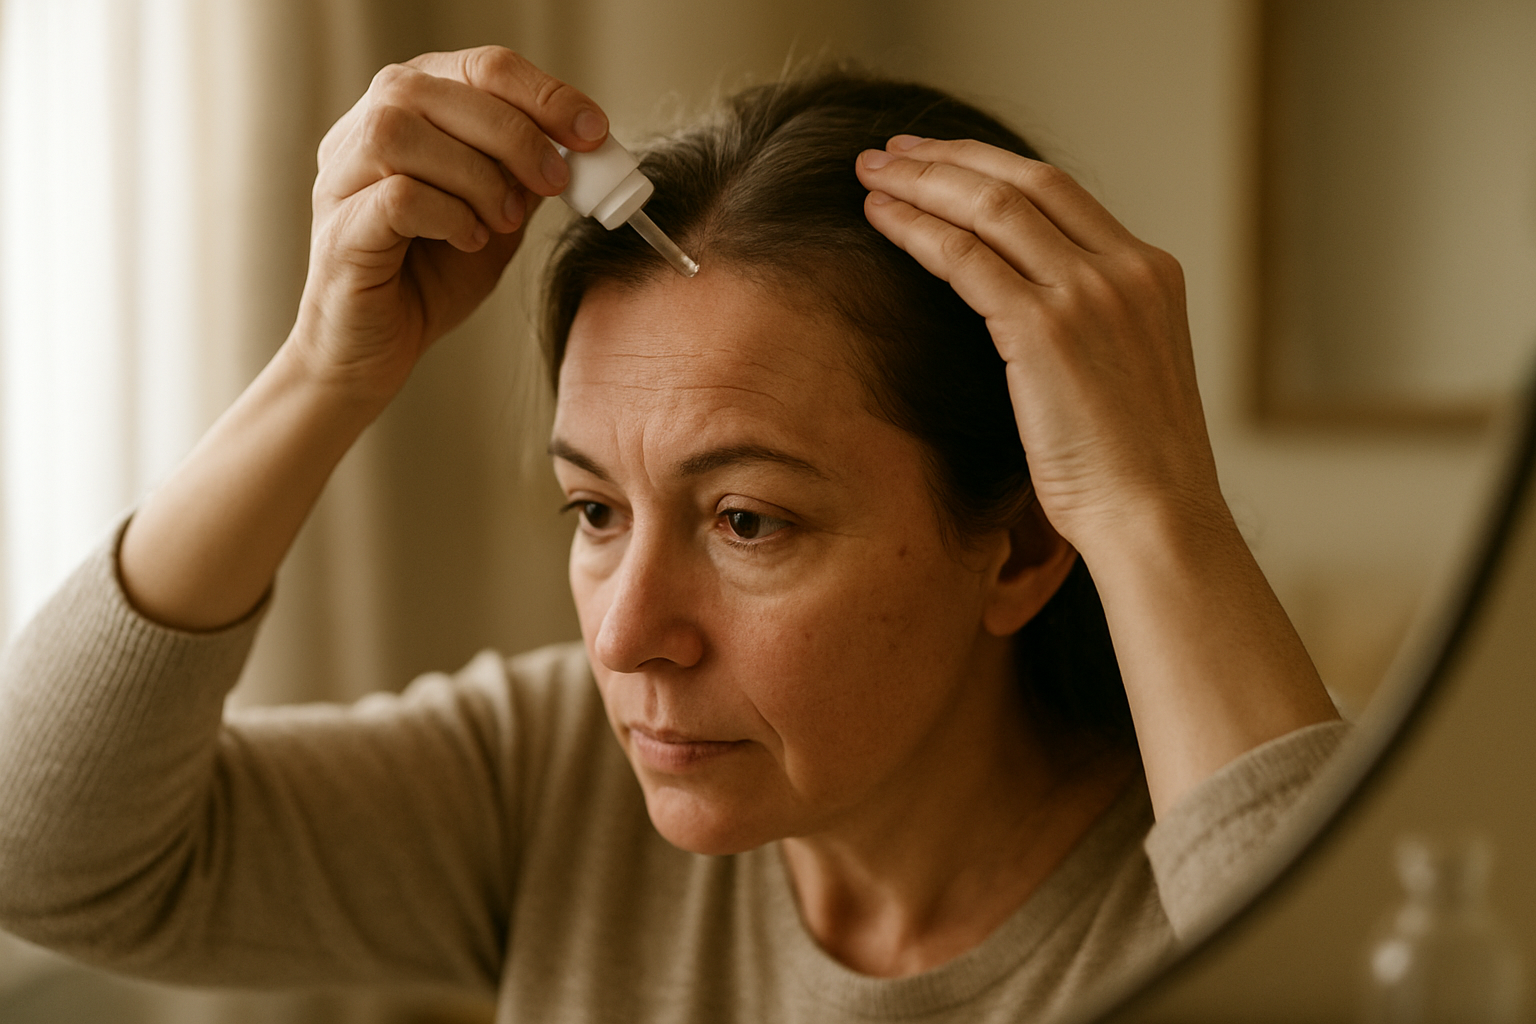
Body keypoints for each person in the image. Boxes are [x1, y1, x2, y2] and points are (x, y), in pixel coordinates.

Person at [0, 47, 1345, 1022]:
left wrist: (1156, 510)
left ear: (1023, 550)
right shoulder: (558, 786)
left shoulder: (1184, 911)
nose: (628, 634)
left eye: (747, 520)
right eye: (594, 510)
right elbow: (48, 857)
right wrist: (317, 373)